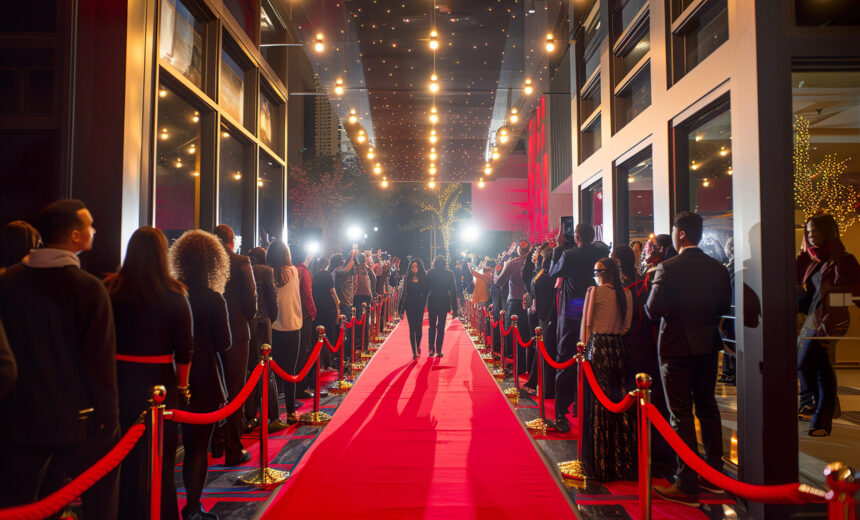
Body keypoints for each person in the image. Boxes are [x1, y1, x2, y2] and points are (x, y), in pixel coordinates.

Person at [0, 199, 120, 519]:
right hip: (78, 423)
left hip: (17, 419)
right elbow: (100, 364)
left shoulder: (7, 282)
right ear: (75, 236)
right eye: (89, 225)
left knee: (19, 505)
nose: (95, 230)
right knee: (100, 502)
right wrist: (110, 419)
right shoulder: (89, 288)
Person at [104, 227, 193, 520]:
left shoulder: (110, 290)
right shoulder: (175, 294)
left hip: (119, 380)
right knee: (162, 462)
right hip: (160, 382)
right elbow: (185, 350)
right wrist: (183, 387)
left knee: (121, 458)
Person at [645, 212, 732, 506]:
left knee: (680, 413)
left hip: (676, 347)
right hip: (707, 345)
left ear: (681, 234)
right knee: (708, 409)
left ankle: (686, 482)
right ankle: (714, 475)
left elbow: (652, 311)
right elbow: (723, 305)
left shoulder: (668, 268)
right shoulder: (718, 268)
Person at [169, 229, 231, 520]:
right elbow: (225, 343)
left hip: (169, 378)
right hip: (204, 378)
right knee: (196, 449)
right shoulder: (213, 299)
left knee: (166, 451)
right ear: (214, 263)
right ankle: (193, 507)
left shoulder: (170, 293)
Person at [611, 244, 675, 477]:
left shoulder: (639, 284)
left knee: (644, 403)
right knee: (655, 403)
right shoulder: (643, 281)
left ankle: (647, 455)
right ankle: (657, 455)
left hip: (638, 348)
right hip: (654, 347)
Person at [797, 214, 859, 436]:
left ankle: (823, 410)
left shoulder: (843, 260)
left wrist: (836, 305)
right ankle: (822, 417)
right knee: (817, 366)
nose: (812, 235)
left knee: (807, 363)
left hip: (833, 320)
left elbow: (852, 293)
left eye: (816, 230)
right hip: (813, 320)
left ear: (827, 231)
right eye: (809, 231)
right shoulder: (811, 262)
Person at [580, 258, 635, 481]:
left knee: (599, 403)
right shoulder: (627, 294)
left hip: (599, 348)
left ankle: (600, 462)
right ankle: (623, 462)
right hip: (618, 348)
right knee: (618, 401)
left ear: (601, 274)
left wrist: (583, 349)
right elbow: (626, 326)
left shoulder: (595, 292)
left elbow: (586, 324)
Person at [549, 223, 605, 433]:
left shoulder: (570, 255)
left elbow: (554, 272)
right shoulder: (600, 251)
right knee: (589, 355)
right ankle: (583, 406)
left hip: (572, 306)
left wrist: (558, 247)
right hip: (592, 303)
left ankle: (561, 412)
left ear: (577, 236)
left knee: (566, 355)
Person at [211, 225, 256, 466]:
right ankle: (233, 448)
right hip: (237, 332)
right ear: (232, 241)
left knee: (213, 389)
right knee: (235, 390)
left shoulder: (205, 262)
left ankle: (215, 442)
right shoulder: (240, 261)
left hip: (208, 333)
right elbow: (251, 300)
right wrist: (245, 319)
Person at [244, 247, 287, 434]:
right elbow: (272, 299)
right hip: (263, 324)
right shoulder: (266, 271)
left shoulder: (244, 269)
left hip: (246, 325)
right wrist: (272, 317)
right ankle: (273, 417)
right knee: (266, 370)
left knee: (249, 370)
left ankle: (250, 416)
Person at [267, 240, 302, 424]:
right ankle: (290, 412)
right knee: (290, 372)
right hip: (294, 326)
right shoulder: (294, 271)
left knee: (272, 372)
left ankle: (273, 414)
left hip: (273, 327)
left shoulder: (268, 273)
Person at [495, 240, 531, 372]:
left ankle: (520, 366)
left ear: (517, 250)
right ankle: (529, 366)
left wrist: (498, 269)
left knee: (515, 336)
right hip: (531, 303)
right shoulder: (532, 263)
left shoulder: (513, 263)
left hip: (515, 302)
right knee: (529, 336)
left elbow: (498, 282)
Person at [295, 252, 318, 399]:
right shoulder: (303, 271)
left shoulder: (291, 269)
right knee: (305, 350)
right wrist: (313, 311)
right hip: (305, 315)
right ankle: (303, 386)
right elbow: (307, 293)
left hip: (292, 316)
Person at [426, 256, 458, 357]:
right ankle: (439, 350)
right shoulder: (449, 274)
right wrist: (455, 308)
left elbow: (426, 289)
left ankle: (431, 348)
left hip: (433, 300)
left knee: (431, 327)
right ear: (445, 263)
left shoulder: (430, 273)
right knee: (441, 327)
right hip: (444, 301)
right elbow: (453, 292)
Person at [399, 258, 428, 359]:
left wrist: (423, 303)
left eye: (416, 267)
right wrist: (401, 309)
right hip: (409, 305)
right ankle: (414, 352)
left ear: (419, 267)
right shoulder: (407, 277)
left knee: (418, 329)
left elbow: (426, 292)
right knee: (412, 329)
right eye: (412, 267)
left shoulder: (423, 277)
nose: (414, 269)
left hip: (419, 306)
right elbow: (404, 294)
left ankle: (418, 345)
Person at [314, 255, 340, 368]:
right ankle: (329, 363)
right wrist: (338, 307)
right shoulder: (326, 274)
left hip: (318, 309)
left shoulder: (314, 275)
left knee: (319, 337)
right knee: (329, 336)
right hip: (328, 308)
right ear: (327, 264)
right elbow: (333, 292)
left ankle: (321, 364)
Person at [353, 253, 374, 351]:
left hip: (362, 297)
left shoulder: (365, 269)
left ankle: (362, 345)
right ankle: (360, 345)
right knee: (360, 322)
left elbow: (372, 281)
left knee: (362, 322)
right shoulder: (358, 268)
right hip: (360, 297)